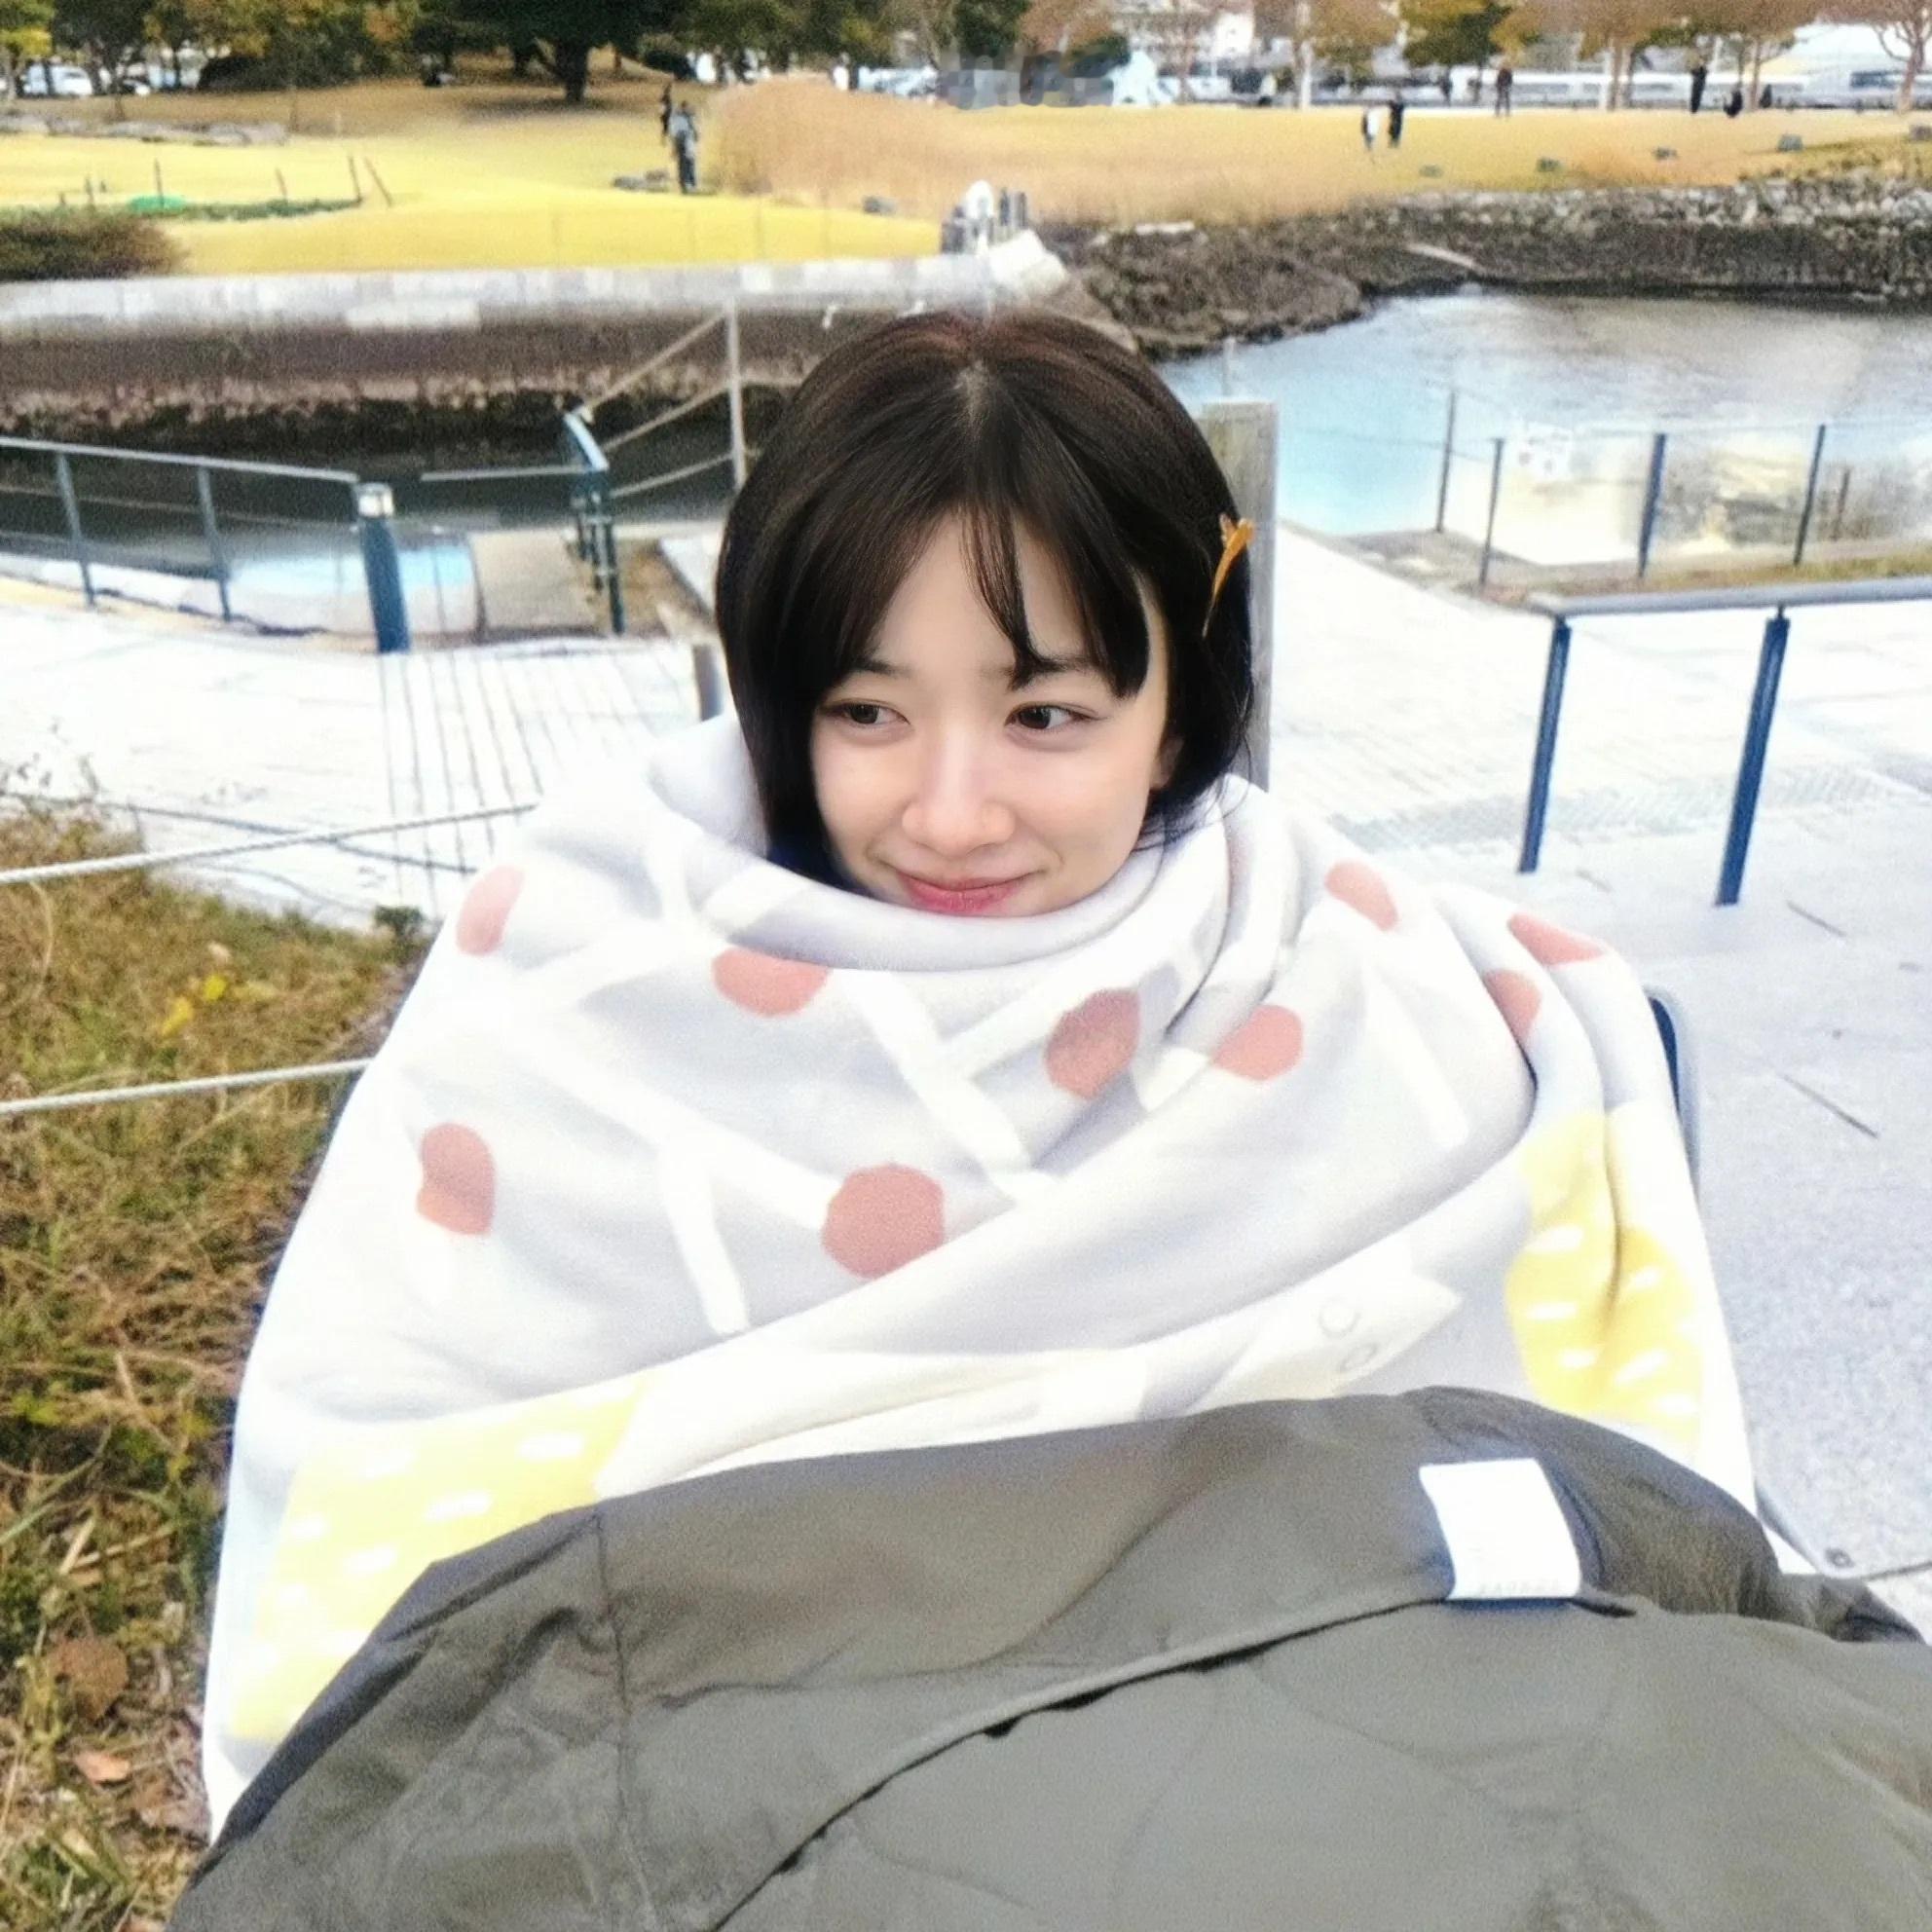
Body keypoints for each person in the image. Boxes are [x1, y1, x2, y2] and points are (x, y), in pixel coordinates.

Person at [199, 311, 1765, 1833]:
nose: (952, 814)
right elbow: (388, 1455)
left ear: (1176, 714)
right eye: (869, 710)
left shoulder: (1355, 979)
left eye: (1046, 713)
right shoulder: (578, 965)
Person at [668, 101, 699, 193]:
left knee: (688, 163)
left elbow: (693, 131)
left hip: (686, 142)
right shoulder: (679, 117)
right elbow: (675, 132)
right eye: (686, 108)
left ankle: (688, 184)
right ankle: (686, 184)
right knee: (685, 163)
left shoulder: (684, 117)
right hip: (683, 142)